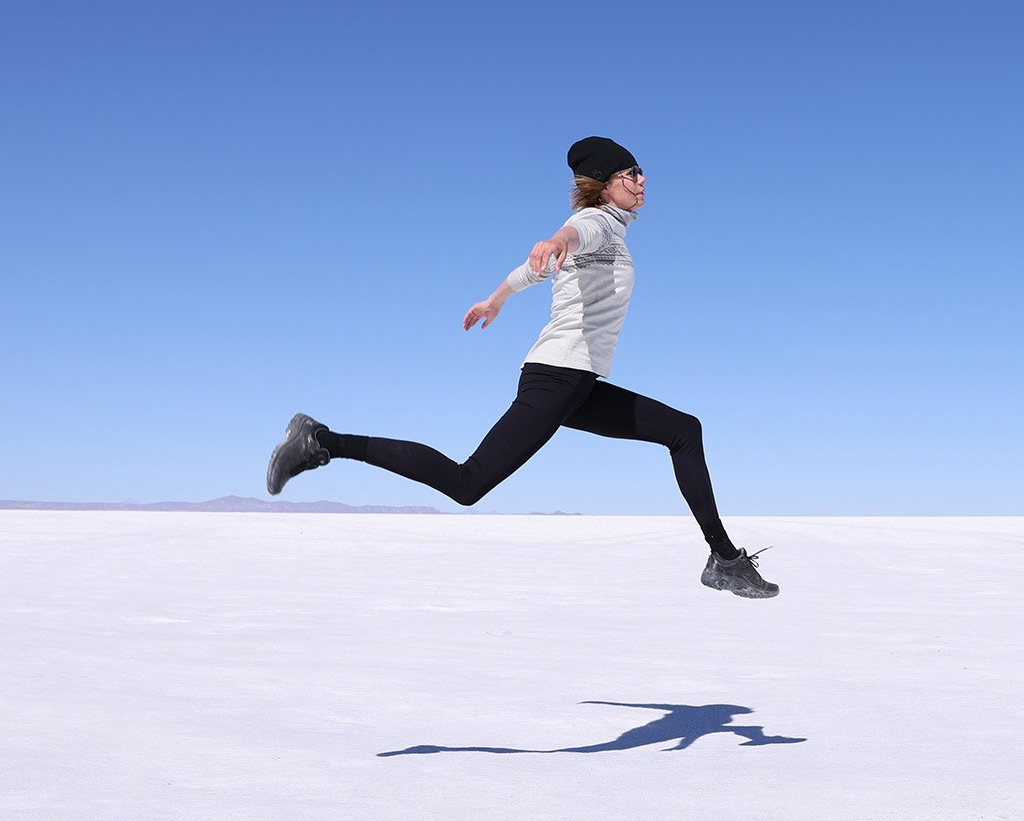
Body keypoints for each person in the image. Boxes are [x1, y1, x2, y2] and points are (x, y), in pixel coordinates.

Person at [265, 136, 778, 599]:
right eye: (631, 175)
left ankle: (724, 560)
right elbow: (568, 236)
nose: (642, 181)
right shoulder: (595, 223)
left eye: (642, 173)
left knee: (684, 430)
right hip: (557, 378)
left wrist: (495, 300)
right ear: (603, 185)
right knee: (467, 485)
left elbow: (530, 272)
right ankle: (324, 441)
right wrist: (555, 242)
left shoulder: (614, 237)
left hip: (577, 384)